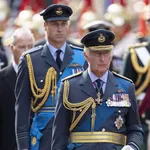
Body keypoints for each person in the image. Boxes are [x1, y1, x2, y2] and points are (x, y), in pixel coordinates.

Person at [51, 29, 144, 150]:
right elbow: (59, 134)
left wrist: (132, 146)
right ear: (86, 55)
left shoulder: (125, 86)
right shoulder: (69, 86)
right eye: (97, 53)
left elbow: (135, 128)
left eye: (106, 53)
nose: (102, 59)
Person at [15, 4, 87, 150]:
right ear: (45, 26)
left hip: (74, 137)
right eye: (54, 24)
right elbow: (22, 107)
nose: (60, 29)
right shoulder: (30, 60)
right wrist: (23, 145)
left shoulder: (82, 57)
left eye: (63, 24)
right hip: (43, 138)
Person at [0, 27, 34, 150]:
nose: (26, 52)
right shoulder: (2, 79)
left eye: (30, 47)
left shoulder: (44, 77)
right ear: (11, 48)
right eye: (21, 47)